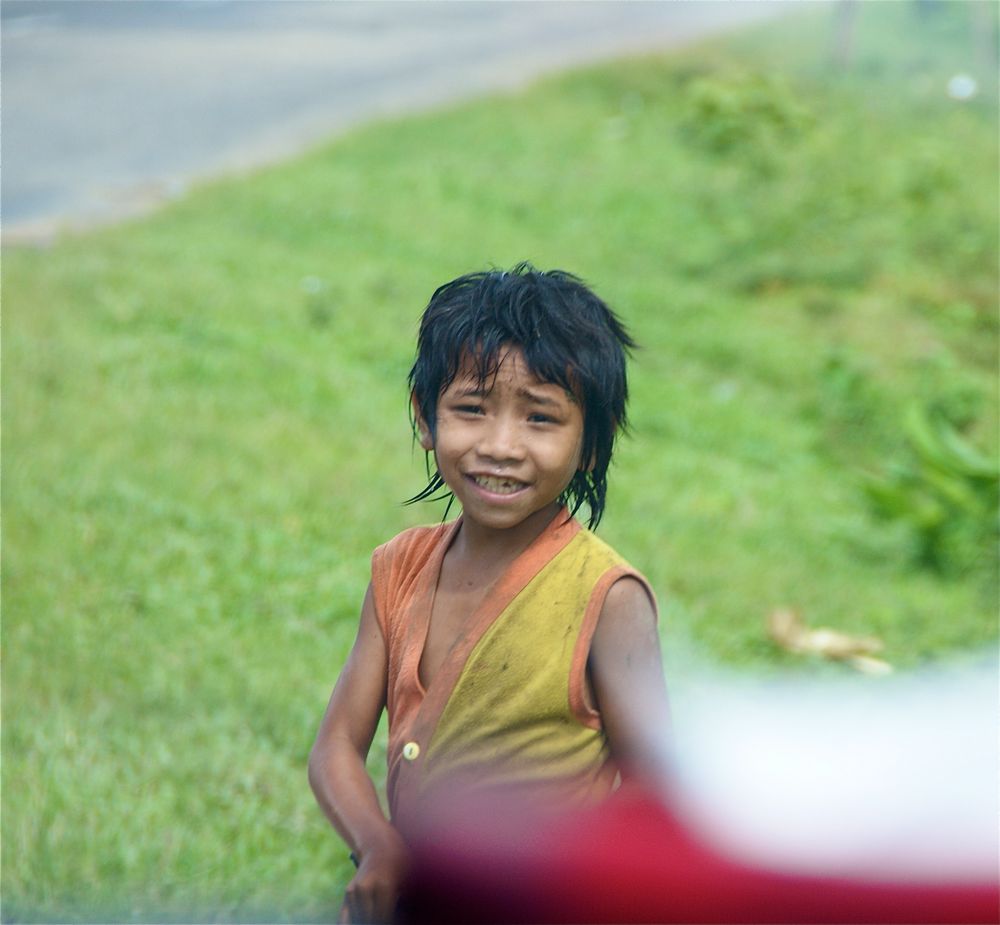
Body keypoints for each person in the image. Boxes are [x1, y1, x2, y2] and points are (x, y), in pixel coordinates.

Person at [308, 263, 671, 924]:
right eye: (472, 409)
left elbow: (659, 790)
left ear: (592, 442)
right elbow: (335, 747)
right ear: (426, 417)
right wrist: (379, 845)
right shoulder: (399, 568)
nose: (501, 446)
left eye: (540, 418)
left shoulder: (607, 597)